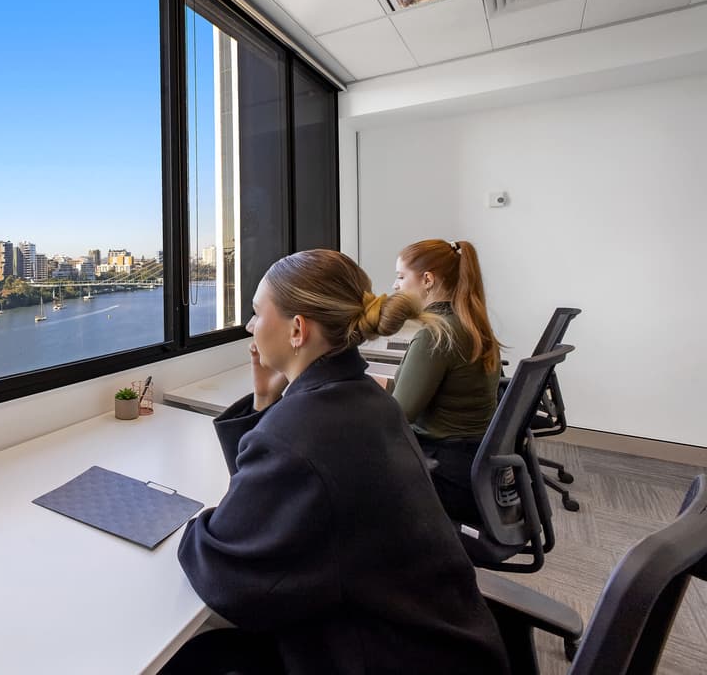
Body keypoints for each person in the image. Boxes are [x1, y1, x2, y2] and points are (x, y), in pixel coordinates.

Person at [161, 250, 507, 675]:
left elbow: (231, 580)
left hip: (384, 656)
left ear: (297, 329)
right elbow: (271, 509)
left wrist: (191, 528)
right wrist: (267, 400)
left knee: (193, 658)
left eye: (256, 313)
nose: (251, 327)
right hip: (446, 645)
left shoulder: (301, 431)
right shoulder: (368, 400)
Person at [389, 239, 503, 524]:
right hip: (473, 464)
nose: (395, 286)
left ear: (427, 279)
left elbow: (397, 418)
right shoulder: (471, 323)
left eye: (401, 277)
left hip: (445, 472)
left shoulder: (436, 334)